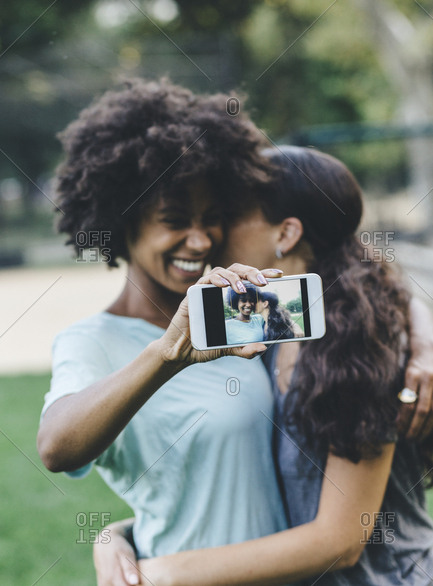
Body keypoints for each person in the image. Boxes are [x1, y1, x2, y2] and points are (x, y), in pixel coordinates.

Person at [97, 146, 433, 585]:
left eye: (230, 213)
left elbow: (342, 541)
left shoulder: (359, 341)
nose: (212, 234)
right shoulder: (275, 321)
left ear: (286, 234)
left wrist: (158, 574)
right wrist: (118, 536)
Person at [37, 78, 288, 562]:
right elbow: (56, 447)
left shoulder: (238, 312)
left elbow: (340, 240)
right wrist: (167, 354)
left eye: (210, 217)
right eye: (174, 221)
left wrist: (423, 341)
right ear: (121, 224)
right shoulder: (93, 341)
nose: (199, 241)